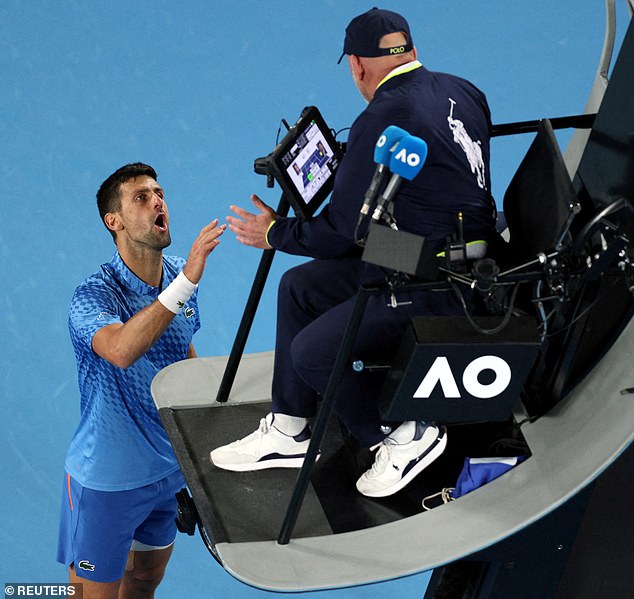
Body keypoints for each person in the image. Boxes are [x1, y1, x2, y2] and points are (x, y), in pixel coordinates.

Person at [210, 8, 496, 498]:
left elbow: (339, 233)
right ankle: (289, 429)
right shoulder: (464, 89)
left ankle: (405, 434)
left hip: (440, 281)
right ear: (408, 49)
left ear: (358, 66)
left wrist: (275, 231)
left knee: (313, 353)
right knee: (298, 288)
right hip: (446, 250)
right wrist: (361, 172)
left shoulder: (382, 117)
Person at [57, 163, 225, 598]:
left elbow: (184, 357)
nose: (158, 201)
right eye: (141, 197)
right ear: (113, 222)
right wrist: (186, 281)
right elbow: (120, 350)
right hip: (106, 482)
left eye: (159, 192)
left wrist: (199, 452)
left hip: (167, 474)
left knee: (146, 580)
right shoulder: (94, 295)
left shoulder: (175, 277)